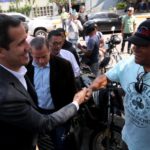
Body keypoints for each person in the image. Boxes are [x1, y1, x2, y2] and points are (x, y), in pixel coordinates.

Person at [0, 14, 88, 150]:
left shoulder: (20, 68)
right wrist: (77, 102)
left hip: (57, 116)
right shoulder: (6, 95)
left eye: (26, 39)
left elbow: (70, 90)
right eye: (20, 43)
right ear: (1, 52)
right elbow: (43, 123)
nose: (28, 47)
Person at [86, 19, 150, 150]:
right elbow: (105, 77)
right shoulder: (128, 64)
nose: (134, 48)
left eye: (142, 45)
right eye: (134, 44)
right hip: (127, 139)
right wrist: (90, 89)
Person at [28, 37, 77, 150]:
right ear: (31, 54)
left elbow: (72, 92)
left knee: (61, 145)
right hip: (37, 115)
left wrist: (69, 116)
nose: (41, 61)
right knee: (42, 145)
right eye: (37, 58)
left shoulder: (64, 65)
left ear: (49, 50)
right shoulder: (26, 68)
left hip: (58, 115)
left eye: (44, 56)